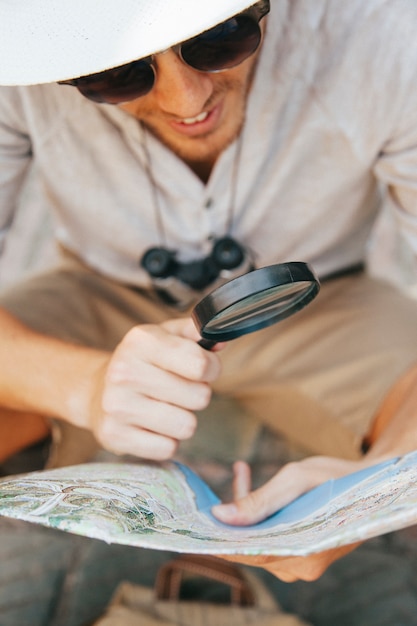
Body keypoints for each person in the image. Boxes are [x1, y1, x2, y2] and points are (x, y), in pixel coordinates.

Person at [1, 0, 417, 588]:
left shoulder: (381, 35)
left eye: (219, 36)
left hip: (323, 304)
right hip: (98, 298)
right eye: (114, 73)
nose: (186, 100)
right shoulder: (17, 63)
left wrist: (372, 489)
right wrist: (84, 384)